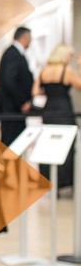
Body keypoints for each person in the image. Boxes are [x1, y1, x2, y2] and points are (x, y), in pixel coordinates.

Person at [33, 44, 81, 188]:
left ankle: (48, 179)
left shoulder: (44, 71)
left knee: (48, 144)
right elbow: (79, 86)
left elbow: (35, 92)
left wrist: (49, 92)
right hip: (63, 110)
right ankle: (64, 180)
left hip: (49, 110)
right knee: (65, 145)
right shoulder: (67, 70)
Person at [0, 26, 34, 145]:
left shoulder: (14, 53)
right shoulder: (13, 54)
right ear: (25, 37)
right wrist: (22, 102)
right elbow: (9, 81)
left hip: (13, 109)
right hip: (12, 109)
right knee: (11, 143)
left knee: (16, 143)